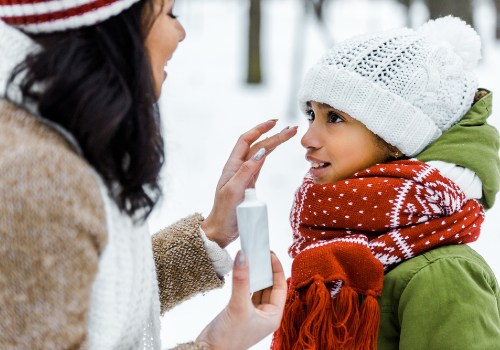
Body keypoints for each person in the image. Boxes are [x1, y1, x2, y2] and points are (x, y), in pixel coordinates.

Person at [0, 0, 298, 349]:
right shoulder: (39, 179)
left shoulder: (53, 139)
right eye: (170, 13)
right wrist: (216, 344)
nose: (181, 32)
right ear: (113, 24)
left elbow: (89, 293)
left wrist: (212, 233)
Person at [271, 16, 500, 349]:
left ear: (395, 138)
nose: (308, 138)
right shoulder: (330, 252)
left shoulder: (443, 274)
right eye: (311, 114)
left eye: (335, 118)